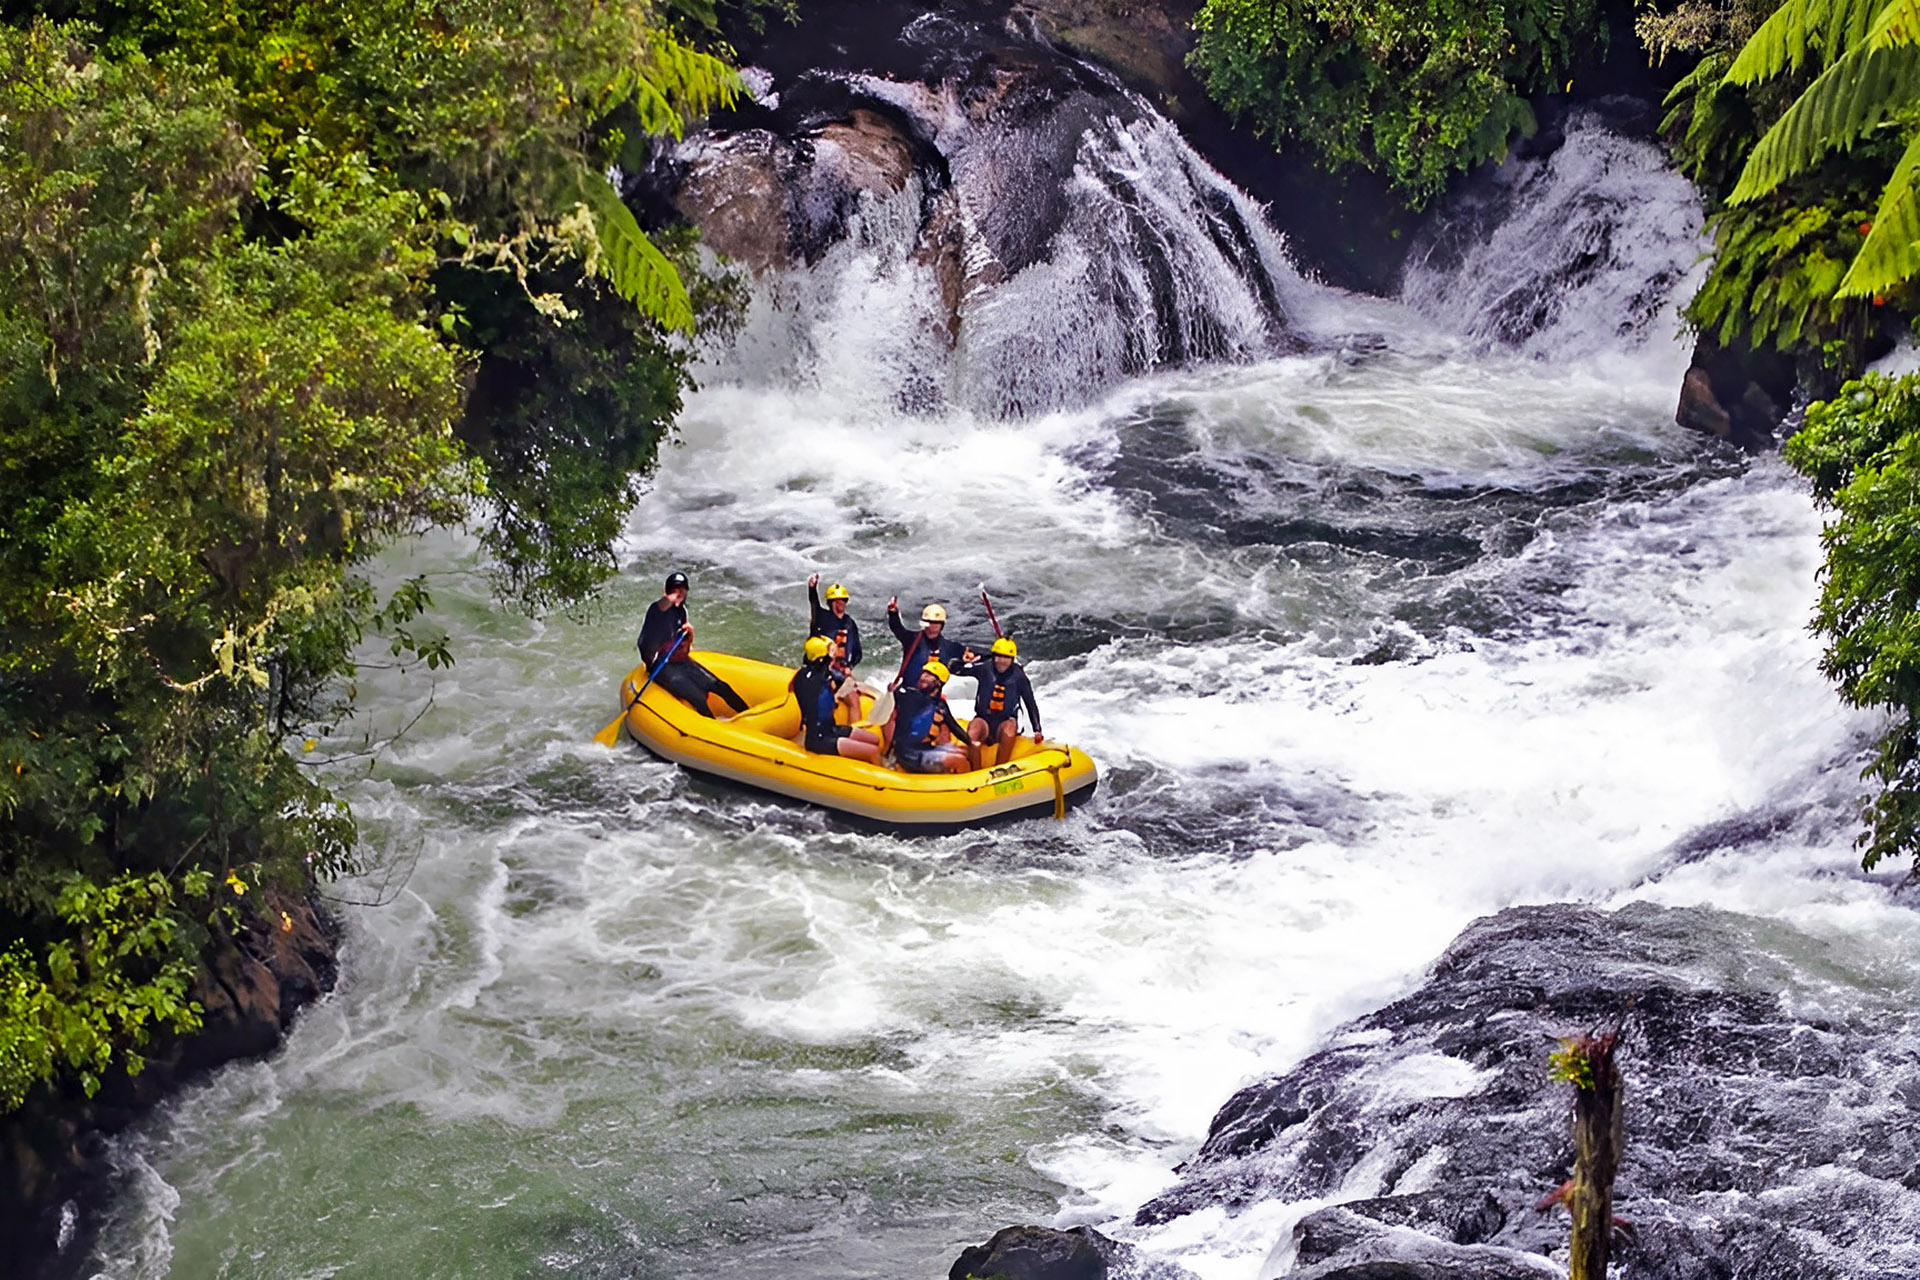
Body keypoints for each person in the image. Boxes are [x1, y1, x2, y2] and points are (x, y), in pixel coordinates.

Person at [636, 571, 748, 718]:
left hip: (680, 662)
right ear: (666, 592)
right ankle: (712, 729)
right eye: (673, 590)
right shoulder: (657, 610)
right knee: (698, 698)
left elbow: (685, 650)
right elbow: (661, 607)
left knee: (721, 687)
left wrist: (689, 634)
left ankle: (749, 716)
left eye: (681, 590)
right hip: (660, 666)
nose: (678, 594)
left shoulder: (681, 611)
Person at [791, 636, 883, 764]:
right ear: (821, 658)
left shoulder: (824, 674)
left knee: (874, 739)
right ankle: (878, 777)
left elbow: (847, 683)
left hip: (831, 729)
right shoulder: (810, 681)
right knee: (872, 751)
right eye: (830, 651)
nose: (834, 655)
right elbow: (812, 701)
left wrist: (880, 695)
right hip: (818, 739)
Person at [955, 636, 1043, 768]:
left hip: (1005, 721)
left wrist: (1037, 729)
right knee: (973, 731)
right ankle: (976, 773)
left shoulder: (1019, 677)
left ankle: (999, 769)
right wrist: (963, 660)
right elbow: (957, 669)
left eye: (1006, 658)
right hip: (984, 720)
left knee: (1009, 731)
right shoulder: (984, 669)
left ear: (1012, 659)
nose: (1001, 661)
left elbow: (1030, 703)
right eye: (998, 657)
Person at [888, 660, 971, 774]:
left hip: (926, 748)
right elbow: (897, 694)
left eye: (929, 676)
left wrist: (971, 742)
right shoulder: (909, 696)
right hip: (909, 754)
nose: (923, 677)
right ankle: (969, 789)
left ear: (939, 683)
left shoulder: (940, 704)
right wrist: (892, 690)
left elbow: (954, 727)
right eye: (924, 673)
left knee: (963, 752)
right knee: (959, 760)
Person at [885, 598, 970, 689]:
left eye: (936, 623)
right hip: (908, 691)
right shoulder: (912, 640)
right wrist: (893, 612)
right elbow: (897, 628)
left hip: (932, 696)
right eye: (930, 622)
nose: (932, 626)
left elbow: (970, 655)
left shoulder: (950, 647)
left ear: (942, 625)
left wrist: (969, 656)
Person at [807, 574, 863, 671]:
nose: (840, 604)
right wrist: (812, 588)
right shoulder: (821, 617)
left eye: (843, 600)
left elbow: (857, 653)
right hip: (819, 668)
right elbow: (814, 603)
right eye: (836, 601)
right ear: (829, 603)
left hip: (840, 669)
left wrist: (849, 667)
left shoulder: (850, 623)